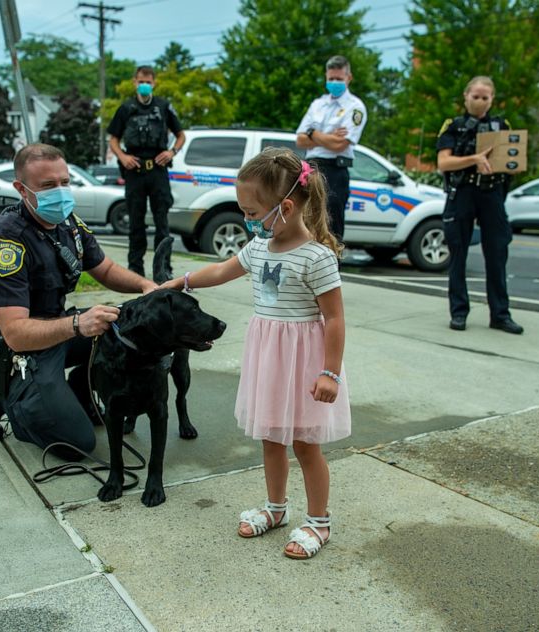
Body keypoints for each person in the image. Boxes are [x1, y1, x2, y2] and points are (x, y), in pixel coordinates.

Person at [161, 148, 351, 559]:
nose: (246, 219)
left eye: (251, 212)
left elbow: (334, 319)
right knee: (269, 437)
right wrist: (180, 282)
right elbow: (220, 271)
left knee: (304, 444)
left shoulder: (316, 258)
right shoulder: (258, 247)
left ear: (285, 207)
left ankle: (319, 521)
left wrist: (330, 373)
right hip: (269, 358)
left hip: (304, 364)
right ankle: (276, 508)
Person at [0, 143, 156, 457]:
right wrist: (80, 324)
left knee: (130, 329)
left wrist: (147, 286)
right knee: (76, 444)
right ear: (21, 189)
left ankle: (81, 394)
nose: (61, 192)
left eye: (65, 183)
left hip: (57, 328)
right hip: (15, 349)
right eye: (48, 186)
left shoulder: (68, 225)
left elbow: (105, 269)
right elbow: (15, 333)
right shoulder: (3, 241)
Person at [436, 75, 523, 335]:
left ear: (492, 99)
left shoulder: (502, 125)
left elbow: (512, 160)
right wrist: (474, 159)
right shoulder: (454, 125)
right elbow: (444, 163)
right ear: (466, 97)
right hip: (462, 192)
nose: (480, 101)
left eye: (485, 97)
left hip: (491, 194)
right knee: (458, 254)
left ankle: (500, 314)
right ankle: (459, 312)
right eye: (476, 96)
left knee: (497, 254)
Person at [107, 65, 185, 277]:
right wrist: (122, 157)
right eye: (141, 81)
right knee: (135, 222)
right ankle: (135, 269)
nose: (144, 85)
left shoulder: (163, 106)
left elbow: (181, 135)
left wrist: (172, 152)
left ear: (154, 83)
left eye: (148, 82)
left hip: (158, 170)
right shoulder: (126, 108)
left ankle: (163, 269)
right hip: (134, 170)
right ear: (135, 82)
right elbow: (113, 139)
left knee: (162, 223)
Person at [296, 55, 367, 243]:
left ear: (349, 78)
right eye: (331, 79)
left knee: (331, 228)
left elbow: (340, 144)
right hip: (310, 169)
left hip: (335, 171)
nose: (334, 82)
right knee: (305, 221)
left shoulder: (355, 108)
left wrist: (313, 133)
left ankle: (330, 270)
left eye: (339, 79)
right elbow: (300, 140)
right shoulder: (318, 104)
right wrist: (326, 136)